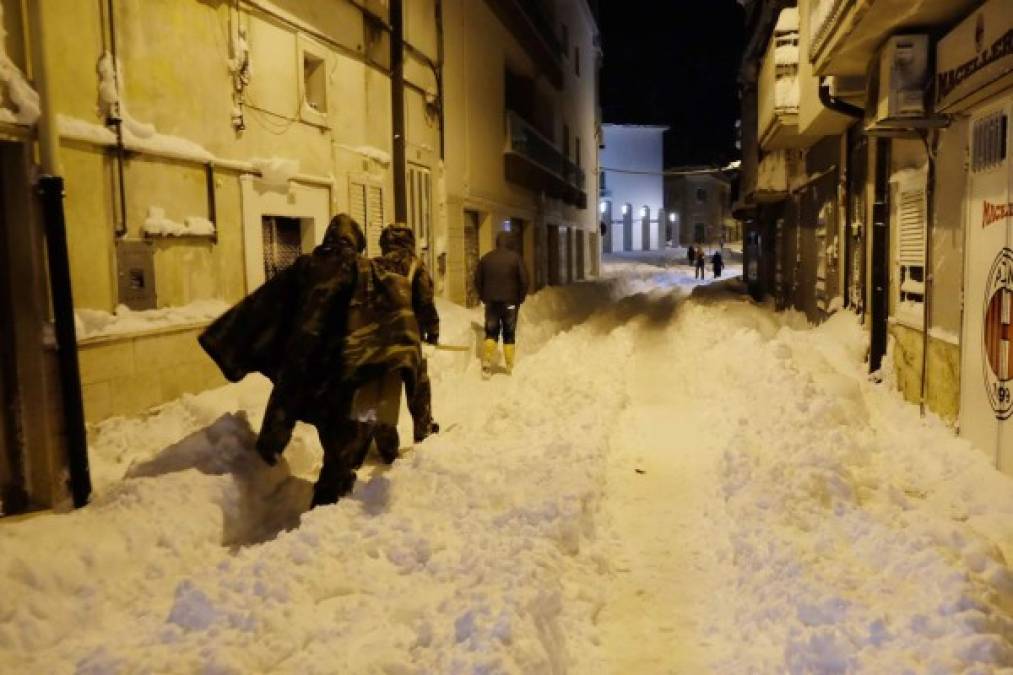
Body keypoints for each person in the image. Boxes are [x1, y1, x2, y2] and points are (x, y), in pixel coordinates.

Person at [199, 214, 369, 505]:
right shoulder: (364, 270)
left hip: (301, 369)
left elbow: (265, 303)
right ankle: (327, 503)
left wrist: (227, 339)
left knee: (289, 412)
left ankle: (271, 450)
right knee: (341, 443)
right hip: (342, 374)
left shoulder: (304, 266)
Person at [476, 230, 528, 375]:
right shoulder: (515, 258)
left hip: (491, 303)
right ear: (509, 243)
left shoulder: (486, 258)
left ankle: (486, 361)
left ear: (497, 243)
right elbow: (524, 280)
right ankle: (509, 365)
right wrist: (520, 297)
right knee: (509, 332)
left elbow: (477, 280)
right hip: (510, 303)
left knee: (491, 332)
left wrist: (483, 296)